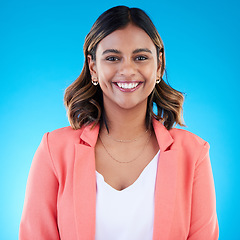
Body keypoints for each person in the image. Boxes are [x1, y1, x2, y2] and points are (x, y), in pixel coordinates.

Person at [19, 5, 219, 240]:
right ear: (93, 66)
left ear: (159, 65)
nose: (127, 69)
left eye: (141, 57)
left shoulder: (194, 154)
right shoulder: (54, 150)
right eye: (113, 58)